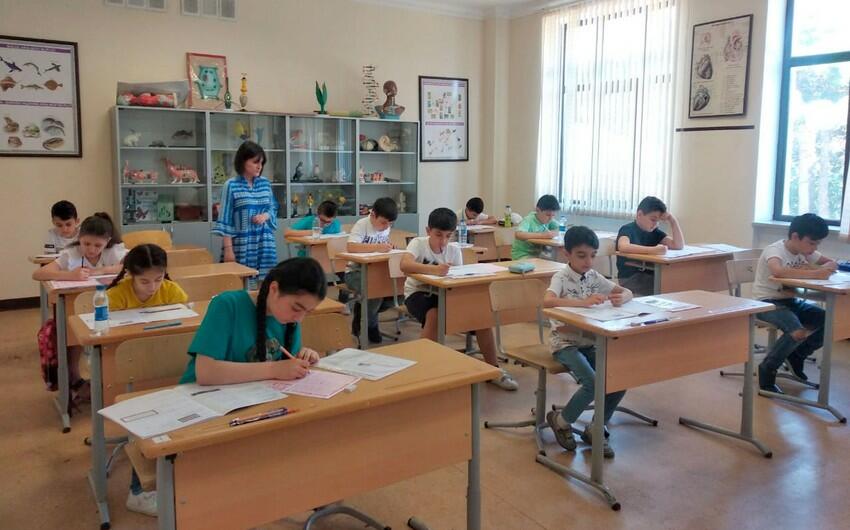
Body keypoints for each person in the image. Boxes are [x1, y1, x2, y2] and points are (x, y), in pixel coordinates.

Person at [106, 244, 188, 516]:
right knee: (148, 420)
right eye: (144, 281)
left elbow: (185, 327)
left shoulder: (172, 291)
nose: (152, 287)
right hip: (130, 369)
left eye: (158, 279)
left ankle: (176, 479)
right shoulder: (115, 296)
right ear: (130, 274)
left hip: (165, 366)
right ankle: (139, 492)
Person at [400, 208, 518, 390]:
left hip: (446, 293)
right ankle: (424, 369)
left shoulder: (454, 250)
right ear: (428, 231)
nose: (443, 241)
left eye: (448, 236)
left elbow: (457, 280)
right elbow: (405, 265)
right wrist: (434, 270)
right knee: (434, 314)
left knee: (481, 317)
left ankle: (494, 369)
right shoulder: (418, 244)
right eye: (438, 235)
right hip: (418, 293)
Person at [544, 226, 633, 458]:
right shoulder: (561, 277)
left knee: (618, 378)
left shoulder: (594, 276)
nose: (588, 261)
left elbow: (625, 291)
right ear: (567, 254)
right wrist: (583, 303)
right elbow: (548, 302)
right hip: (565, 342)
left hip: (589, 341)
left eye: (593, 255)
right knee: (593, 383)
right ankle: (561, 421)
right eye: (581, 255)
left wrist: (623, 296)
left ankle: (596, 426)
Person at [752, 213, 836, 392]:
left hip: (790, 301)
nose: (814, 248)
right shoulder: (775, 250)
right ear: (795, 237)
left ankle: (797, 355)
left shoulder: (805, 252)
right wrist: (815, 273)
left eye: (817, 244)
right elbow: (777, 271)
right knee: (797, 331)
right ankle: (767, 369)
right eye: (812, 243)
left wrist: (824, 267)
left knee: (830, 320)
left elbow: (831, 263)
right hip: (767, 302)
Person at [215, 140, 278, 280]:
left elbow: (273, 208)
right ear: (243, 161)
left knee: (265, 284)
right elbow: (225, 219)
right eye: (255, 162)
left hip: (265, 243)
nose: (259, 166)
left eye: (261, 163)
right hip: (241, 244)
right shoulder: (231, 185)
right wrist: (228, 250)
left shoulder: (265, 183)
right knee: (239, 283)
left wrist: (265, 216)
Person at [344, 197, 398, 343]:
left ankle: (362, 311)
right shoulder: (362, 224)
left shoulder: (386, 227)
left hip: (377, 272)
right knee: (375, 292)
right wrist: (378, 247)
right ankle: (371, 325)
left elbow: (382, 247)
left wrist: (389, 247)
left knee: (398, 292)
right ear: (373, 215)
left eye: (390, 224)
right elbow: (351, 247)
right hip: (354, 272)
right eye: (383, 223)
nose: (386, 227)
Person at [615, 196, 684, 296]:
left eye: (658, 221)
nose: (655, 224)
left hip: (649, 276)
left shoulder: (654, 232)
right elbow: (623, 246)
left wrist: (672, 220)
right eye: (653, 220)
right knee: (668, 285)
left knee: (674, 281)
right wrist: (653, 250)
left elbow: (678, 245)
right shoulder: (627, 229)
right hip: (630, 278)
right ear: (639, 214)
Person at [511, 194, 561, 260]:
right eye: (548, 215)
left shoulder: (549, 220)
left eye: (553, 215)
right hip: (522, 254)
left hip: (538, 255)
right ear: (537, 210)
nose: (551, 218)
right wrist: (542, 235)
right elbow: (518, 234)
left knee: (555, 260)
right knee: (544, 262)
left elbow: (561, 228)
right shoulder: (529, 219)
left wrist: (554, 233)